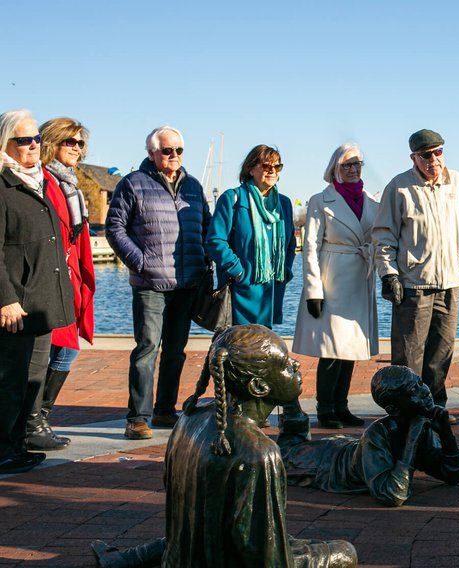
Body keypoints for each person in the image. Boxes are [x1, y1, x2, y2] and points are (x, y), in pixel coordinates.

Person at [91, 324, 357, 567]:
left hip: (189, 552)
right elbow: (263, 556)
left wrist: (287, 395)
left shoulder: (190, 418)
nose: (297, 364)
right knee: (344, 552)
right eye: (286, 364)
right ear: (259, 386)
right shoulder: (258, 453)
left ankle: (127, 560)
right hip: (226, 558)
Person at [105, 126, 211, 440]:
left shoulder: (192, 186)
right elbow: (115, 228)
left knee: (176, 350)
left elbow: (205, 224)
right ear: (152, 153)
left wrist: (204, 262)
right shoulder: (133, 184)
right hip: (150, 283)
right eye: (168, 151)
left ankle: (165, 410)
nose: (174, 156)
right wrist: (141, 263)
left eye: (179, 150)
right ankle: (137, 417)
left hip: (186, 281)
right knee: (147, 349)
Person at [373, 129, 459, 418]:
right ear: (414, 158)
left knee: (441, 354)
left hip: (449, 283)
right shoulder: (399, 187)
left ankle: (435, 408)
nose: (434, 159)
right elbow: (383, 236)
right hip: (413, 285)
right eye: (426, 155)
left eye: (438, 152)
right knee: (408, 356)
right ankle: (405, 412)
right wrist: (388, 274)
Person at [0, 109, 74, 474]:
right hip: (16, 301)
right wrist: (5, 299)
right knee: (9, 381)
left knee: (33, 377)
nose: (33, 145)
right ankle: (3, 449)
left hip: (43, 299)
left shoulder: (40, 181)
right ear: (5, 143)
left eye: (36, 139)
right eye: (23, 139)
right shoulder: (3, 184)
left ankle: (19, 443)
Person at [277, 365, 459, 507]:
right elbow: (391, 495)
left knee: (295, 445)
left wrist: (446, 435)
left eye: (420, 383)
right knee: (286, 456)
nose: (424, 391)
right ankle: (288, 392)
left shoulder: (419, 424)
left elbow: (453, 475)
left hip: (348, 448)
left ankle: (289, 393)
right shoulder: (378, 433)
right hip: (327, 464)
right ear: (393, 409)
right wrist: (411, 443)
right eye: (413, 391)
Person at [22, 117, 97, 452]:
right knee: (54, 350)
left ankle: (39, 418)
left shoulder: (70, 184)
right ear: (53, 142)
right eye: (71, 142)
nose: (77, 149)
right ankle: (33, 422)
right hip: (50, 277)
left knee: (64, 348)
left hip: (69, 277)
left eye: (81, 143)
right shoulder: (46, 181)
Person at [292, 143, 379, 429]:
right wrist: (313, 290)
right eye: (347, 165)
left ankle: (342, 406)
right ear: (335, 169)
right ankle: (325, 408)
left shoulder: (371, 201)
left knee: (350, 348)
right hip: (332, 278)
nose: (353, 169)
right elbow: (310, 248)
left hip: (360, 277)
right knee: (331, 349)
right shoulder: (320, 200)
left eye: (357, 164)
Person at [205, 144, 295, 328]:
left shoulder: (284, 203)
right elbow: (215, 241)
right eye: (266, 166)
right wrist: (238, 272)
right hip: (241, 293)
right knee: (236, 350)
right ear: (251, 168)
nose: (272, 171)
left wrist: (285, 270)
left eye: (277, 166)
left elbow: (290, 244)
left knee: (262, 351)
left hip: (271, 293)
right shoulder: (232, 198)